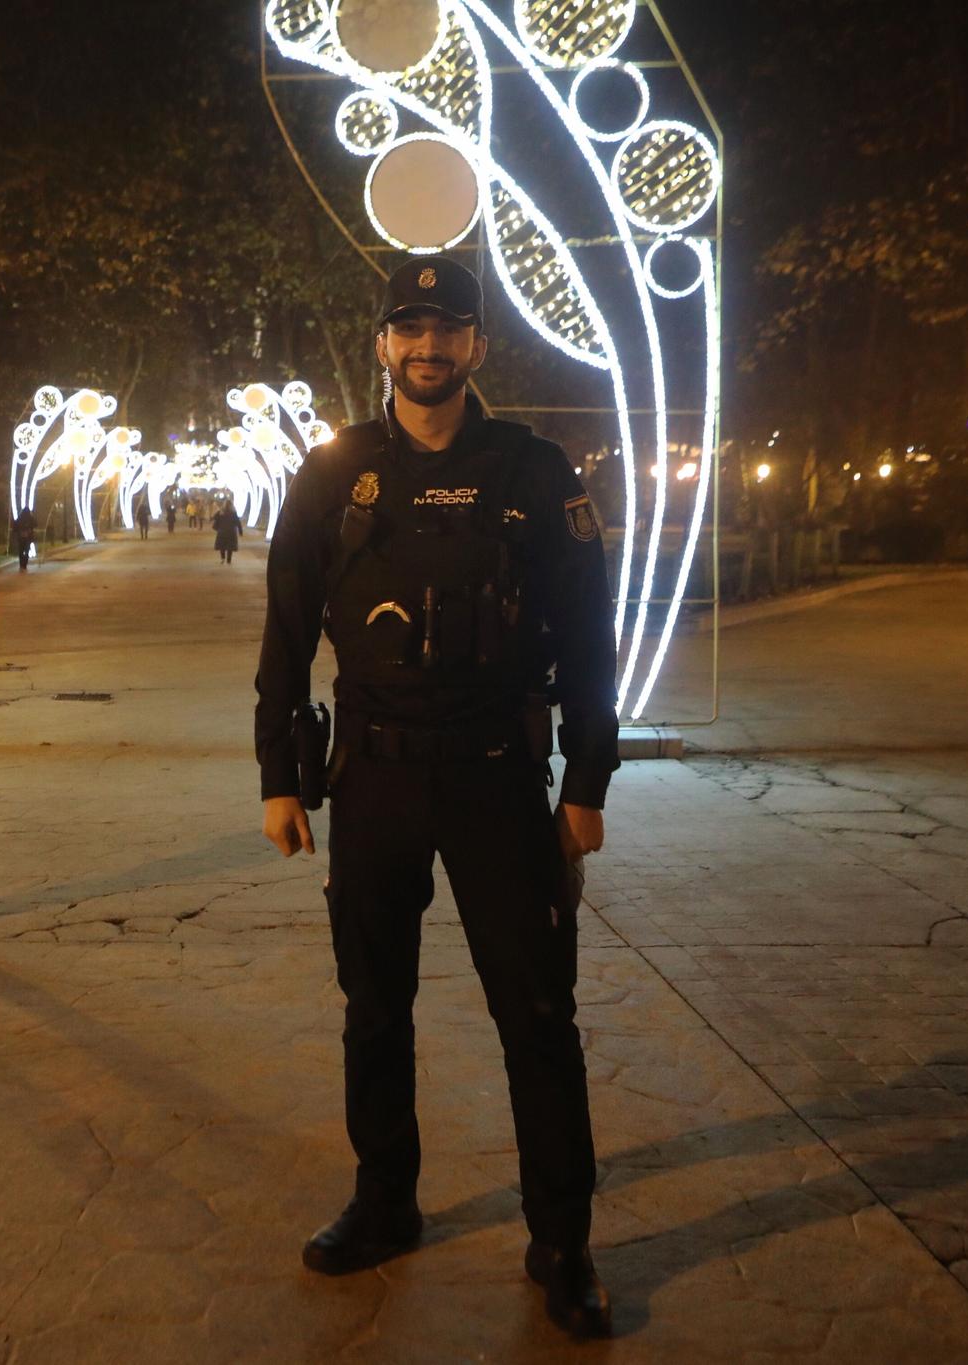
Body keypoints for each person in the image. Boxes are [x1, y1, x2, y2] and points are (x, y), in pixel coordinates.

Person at [254, 256, 619, 1339]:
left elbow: (589, 641)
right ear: (381, 346)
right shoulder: (332, 477)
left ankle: (561, 1241)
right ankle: (383, 1203)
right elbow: (283, 634)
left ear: (474, 346)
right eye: (408, 329)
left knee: (537, 1015)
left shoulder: (532, 470)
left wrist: (588, 781)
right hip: (370, 777)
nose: (427, 348)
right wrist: (277, 775)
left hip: (499, 783)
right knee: (373, 1009)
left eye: (447, 330)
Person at [11, 508, 38, 573]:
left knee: (21, 551)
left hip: (20, 537)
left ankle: (21, 565)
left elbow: (15, 527)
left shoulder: (20, 518)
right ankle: (24, 565)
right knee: (27, 551)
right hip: (28, 537)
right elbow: (36, 524)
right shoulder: (30, 518)